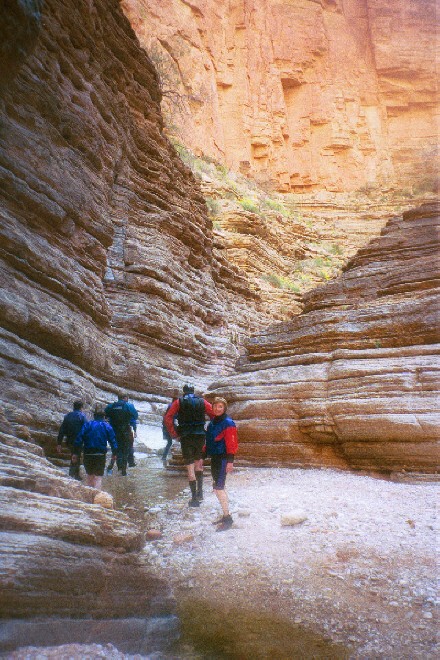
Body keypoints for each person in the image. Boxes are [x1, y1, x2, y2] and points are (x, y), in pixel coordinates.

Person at [164, 385, 214, 507]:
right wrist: (209, 429)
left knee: (190, 466)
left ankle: (194, 499)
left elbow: (168, 417)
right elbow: (213, 414)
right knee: (199, 464)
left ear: (184, 392)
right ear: (193, 391)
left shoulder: (178, 402)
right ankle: (200, 493)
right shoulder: (202, 401)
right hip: (200, 436)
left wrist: (174, 433)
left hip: (186, 437)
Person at [204, 397, 238, 531]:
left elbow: (232, 443)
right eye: (215, 406)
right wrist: (202, 455)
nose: (217, 409)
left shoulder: (228, 423)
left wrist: (230, 461)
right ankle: (225, 515)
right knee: (218, 487)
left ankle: (228, 518)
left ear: (224, 408)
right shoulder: (212, 423)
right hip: (215, 459)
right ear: (212, 408)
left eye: (220, 407)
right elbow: (209, 442)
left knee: (219, 487)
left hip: (223, 459)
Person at [71, 404, 117, 490]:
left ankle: (89, 497)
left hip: (88, 453)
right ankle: (96, 497)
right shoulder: (107, 426)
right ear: (104, 417)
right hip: (100, 454)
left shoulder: (87, 425)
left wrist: (75, 453)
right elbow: (113, 441)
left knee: (89, 476)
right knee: (98, 477)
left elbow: (79, 439)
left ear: (94, 416)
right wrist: (114, 453)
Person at [56, 400, 87, 480]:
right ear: (81, 408)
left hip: (69, 440)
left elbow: (62, 430)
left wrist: (59, 443)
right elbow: (86, 429)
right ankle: (73, 475)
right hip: (79, 440)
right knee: (76, 455)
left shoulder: (68, 416)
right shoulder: (82, 416)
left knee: (74, 455)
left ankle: (75, 474)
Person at [105, 394, 133, 476]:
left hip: (113, 432)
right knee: (124, 450)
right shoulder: (128, 406)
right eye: (127, 398)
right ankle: (123, 471)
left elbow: (105, 414)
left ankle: (111, 467)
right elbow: (135, 415)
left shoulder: (111, 406)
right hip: (124, 432)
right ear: (125, 398)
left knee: (115, 450)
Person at [162, 396, 178, 462]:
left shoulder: (170, 406)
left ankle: (164, 456)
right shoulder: (172, 406)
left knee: (169, 442)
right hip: (169, 426)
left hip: (167, 426)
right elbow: (174, 416)